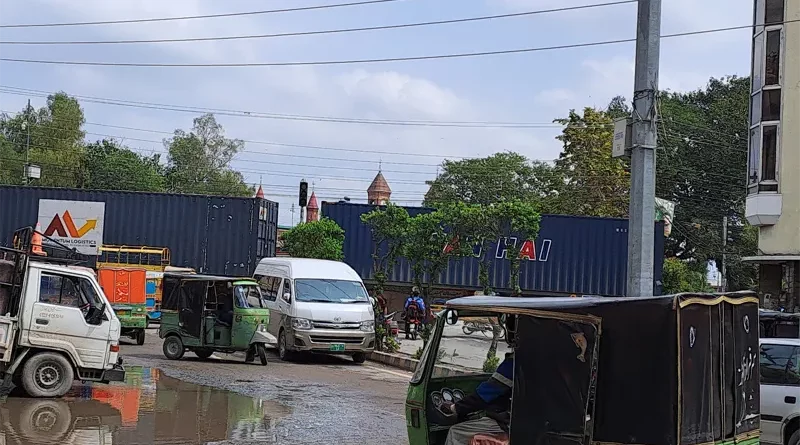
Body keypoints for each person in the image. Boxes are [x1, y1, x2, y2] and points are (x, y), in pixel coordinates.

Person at [440, 315, 517, 445]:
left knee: (456, 432)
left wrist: (455, 407)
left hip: (509, 422)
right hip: (532, 421)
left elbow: (484, 395)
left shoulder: (514, 364)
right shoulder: (540, 361)